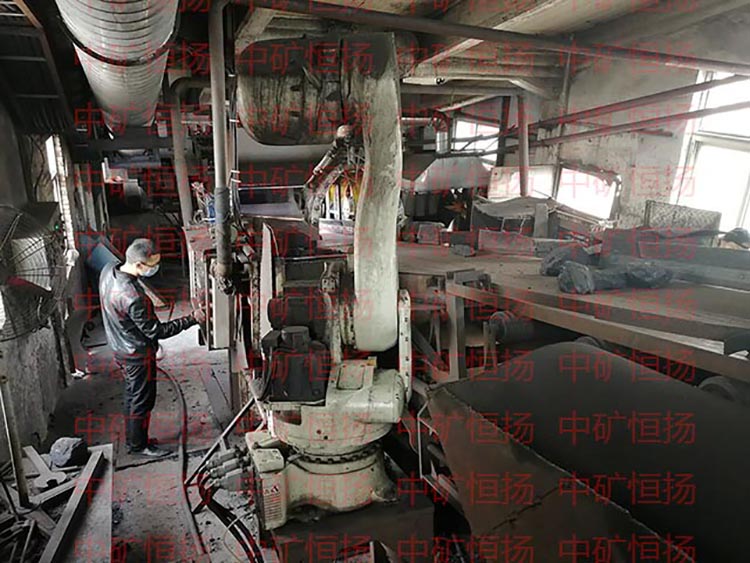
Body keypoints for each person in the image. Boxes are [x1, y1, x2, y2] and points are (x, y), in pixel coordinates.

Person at [99, 238, 206, 457]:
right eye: (152, 265)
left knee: (133, 395)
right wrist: (192, 318)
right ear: (139, 264)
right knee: (142, 400)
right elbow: (157, 331)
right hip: (136, 355)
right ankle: (138, 446)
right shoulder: (132, 297)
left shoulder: (109, 270)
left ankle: (134, 439)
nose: (155, 268)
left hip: (119, 345)